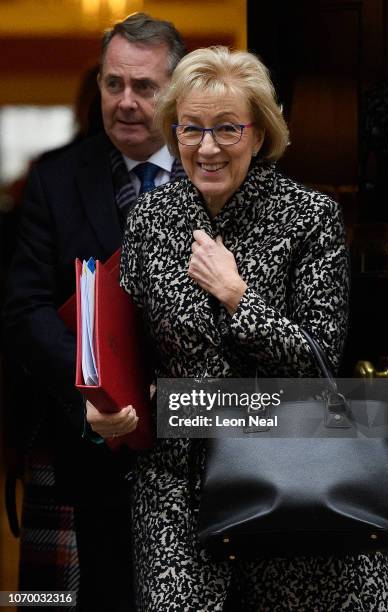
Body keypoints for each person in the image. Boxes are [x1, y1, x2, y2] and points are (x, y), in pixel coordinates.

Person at [88, 46, 388, 611]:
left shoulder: (310, 218)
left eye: (227, 129)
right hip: (175, 490)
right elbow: (128, 352)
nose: (207, 148)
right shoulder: (150, 220)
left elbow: (318, 367)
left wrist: (238, 297)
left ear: (259, 134)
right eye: (191, 129)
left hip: (291, 473)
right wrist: (108, 410)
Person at [2, 13, 186, 611]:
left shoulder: (215, 174)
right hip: (83, 447)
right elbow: (23, 308)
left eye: (144, 87)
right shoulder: (56, 180)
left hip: (197, 447)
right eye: (113, 84)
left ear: (177, 88)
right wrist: (84, 395)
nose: (125, 102)